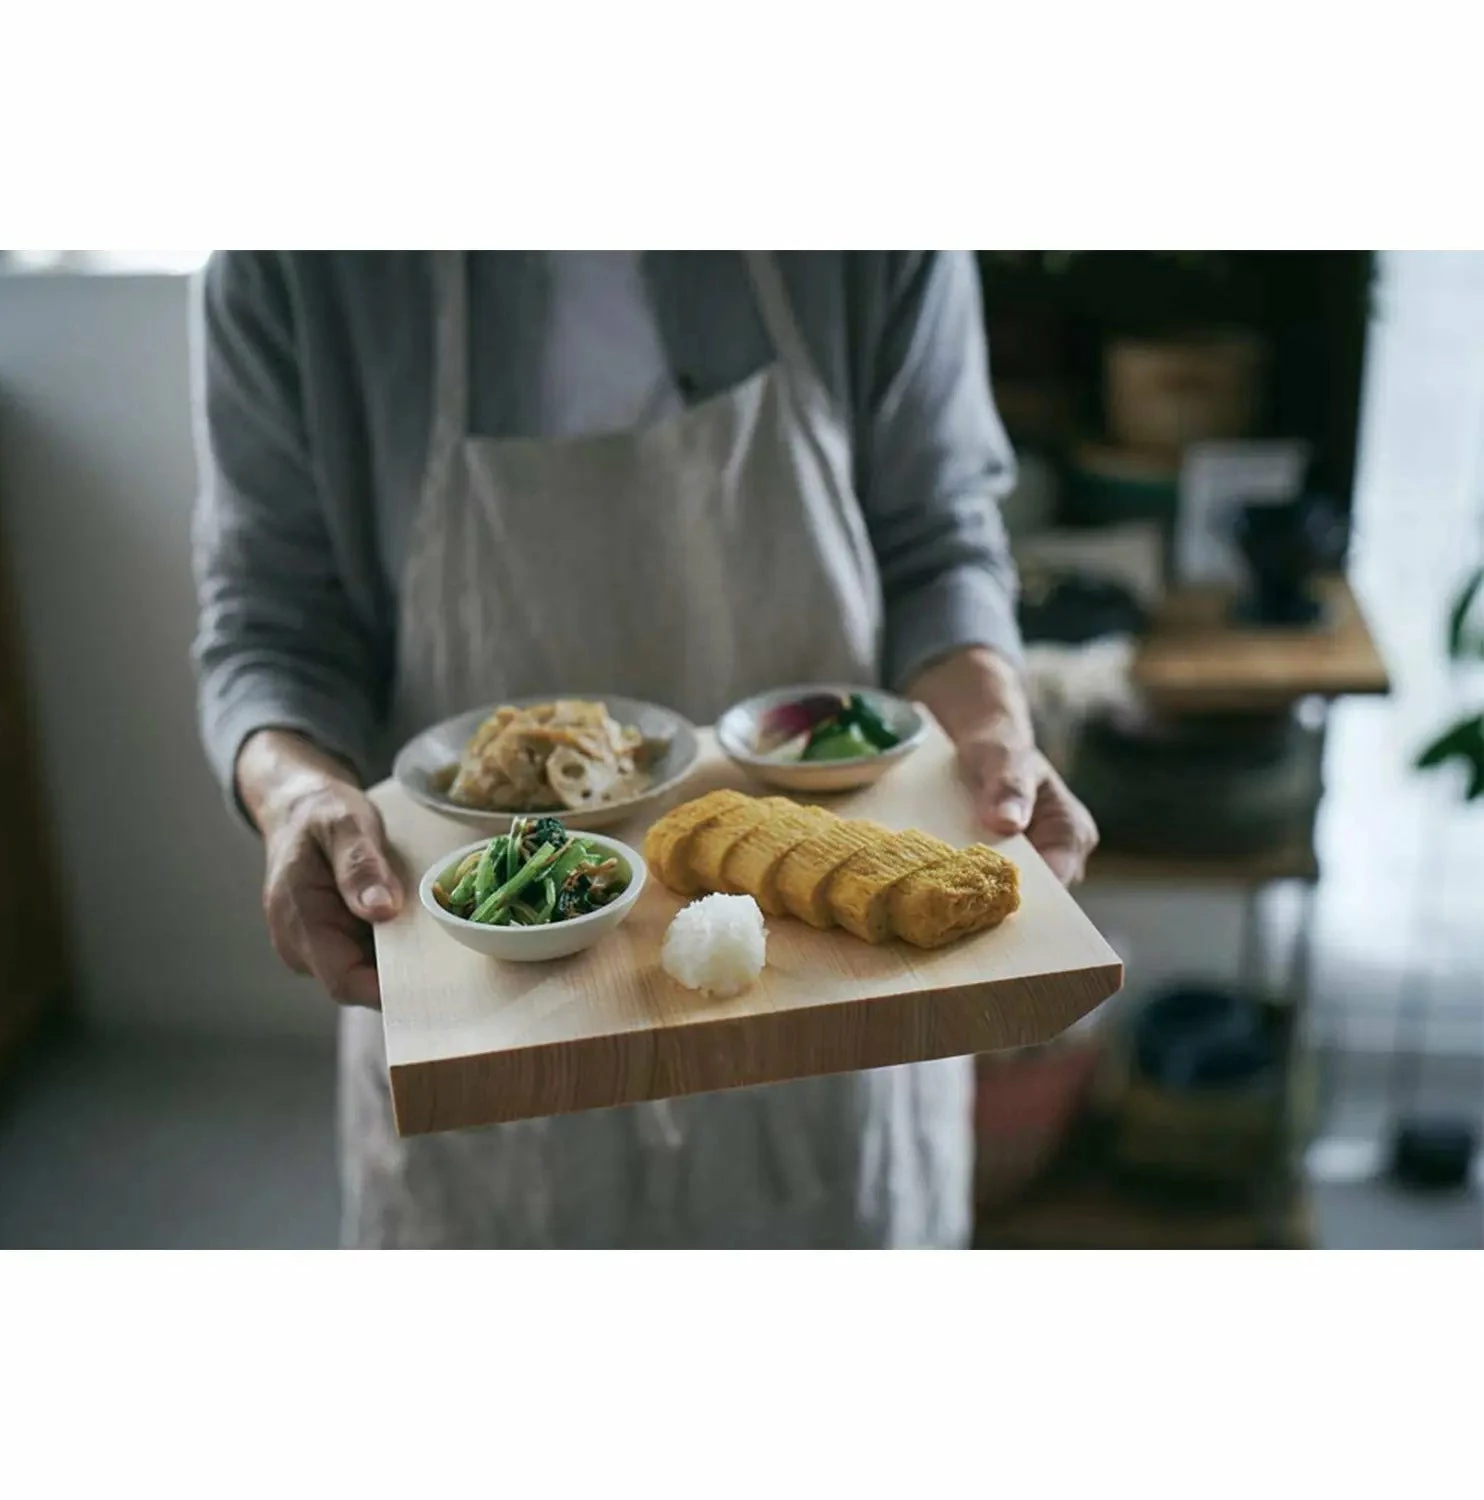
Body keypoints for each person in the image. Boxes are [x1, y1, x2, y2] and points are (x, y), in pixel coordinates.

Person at [191, 251, 1098, 1249]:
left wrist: (992, 729)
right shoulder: (288, 265)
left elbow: (939, 540)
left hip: (836, 1006)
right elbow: (270, 626)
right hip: (484, 1006)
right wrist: (295, 794)